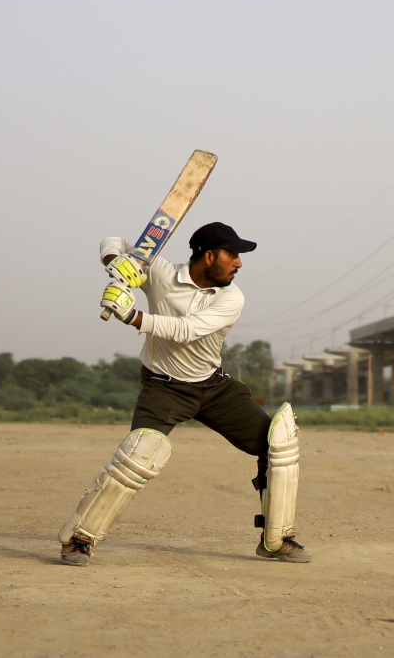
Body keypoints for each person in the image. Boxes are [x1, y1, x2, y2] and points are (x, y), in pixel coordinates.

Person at [57, 222, 308, 567]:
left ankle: (277, 538)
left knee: (277, 443)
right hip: (163, 387)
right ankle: (80, 539)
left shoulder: (231, 297)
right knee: (138, 455)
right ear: (208, 256)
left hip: (213, 388)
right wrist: (116, 261)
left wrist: (132, 316)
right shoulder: (159, 272)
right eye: (232, 254)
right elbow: (115, 239)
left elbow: (186, 331)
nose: (239, 263)